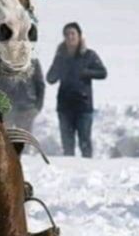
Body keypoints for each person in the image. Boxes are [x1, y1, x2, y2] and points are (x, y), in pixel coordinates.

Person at [46, 22, 107, 157]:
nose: (70, 37)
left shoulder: (89, 55)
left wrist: (85, 72)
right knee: (67, 144)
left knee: (85, 142)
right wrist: (57, 68)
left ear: (79, 36)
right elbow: (50, 79)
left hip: (83, 106)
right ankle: (69, 171)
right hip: (65, 106)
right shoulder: (60, 56)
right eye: (67, 34)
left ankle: (87, 170)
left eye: (73, 33)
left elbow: (102, 73)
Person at [0, 58, 45, 132]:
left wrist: (37, 107)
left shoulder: (32, 60)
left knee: (23, 140)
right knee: (6, 139)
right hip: (5, 109)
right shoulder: (0, 60)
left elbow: (40, 84)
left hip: (26, 109)